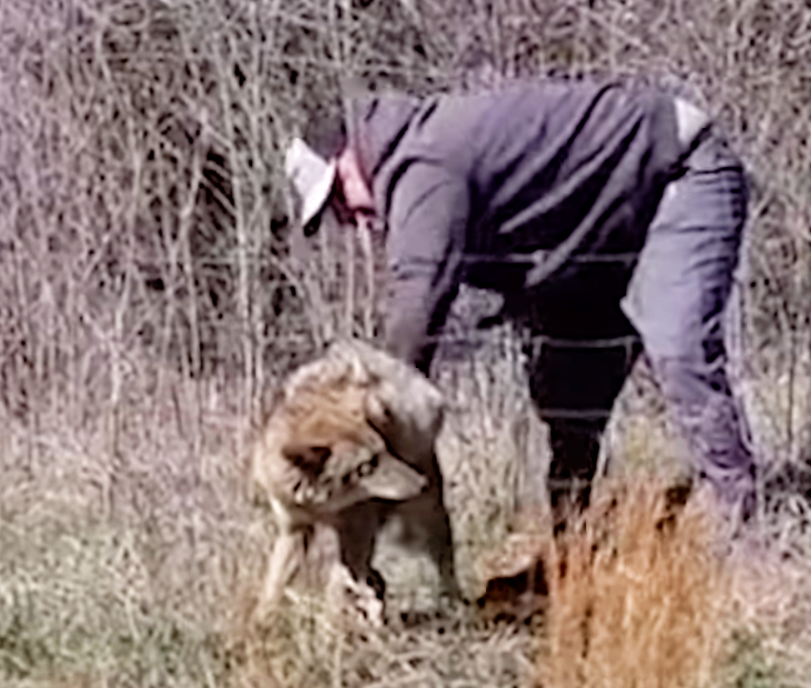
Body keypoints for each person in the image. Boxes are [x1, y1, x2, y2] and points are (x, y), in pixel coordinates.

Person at [284, 77, 757, 532]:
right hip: (593, 232)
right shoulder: (418, 162)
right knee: (565, 386)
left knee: (678, 344)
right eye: (332, 215)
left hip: (678, 169)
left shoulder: (422, 165)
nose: (347, 218)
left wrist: (373, 416)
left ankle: (741, 521)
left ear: (348, 159)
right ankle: (573, 537)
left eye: (338, 199)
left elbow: (418, 303)